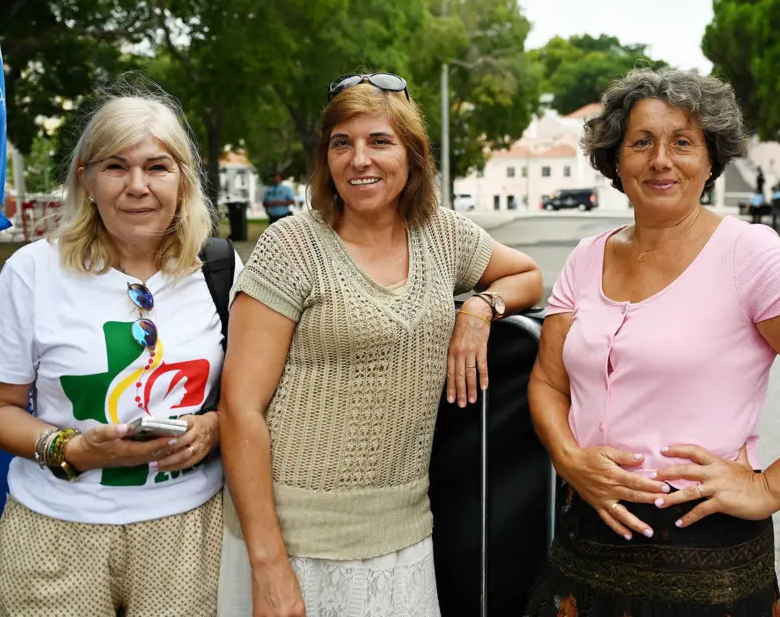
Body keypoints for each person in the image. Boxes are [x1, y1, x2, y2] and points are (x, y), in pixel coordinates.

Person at [523, 68, 780, 617]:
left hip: (704, 557)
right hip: (585, 538)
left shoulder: (748, 254)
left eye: (683, 142)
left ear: (711, 160)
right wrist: (569, 458)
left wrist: (769, 488)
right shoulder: (587, 256)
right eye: (641, 142)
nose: (661, 160)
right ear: (615, 159)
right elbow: (547, 381)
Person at [219, 72, 543, 617]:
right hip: (296, 543)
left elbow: (527, 275)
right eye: (341, 143)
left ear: (412, 155)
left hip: (404, 537)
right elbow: (239, 409)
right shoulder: (291, 246)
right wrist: (268, 563)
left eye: (379, 141)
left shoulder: (443, 234)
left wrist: (480, 310)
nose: (359, 159)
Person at [0, 85, 239, 616]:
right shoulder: (33, 271)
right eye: (116, 167)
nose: (138, 186)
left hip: (189, 536)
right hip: (53, 538)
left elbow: (251, 396)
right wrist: (71, 449)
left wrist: (213, 427)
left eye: (157, 167)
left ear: (183, 180)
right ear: (86, 179)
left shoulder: (221, 269)